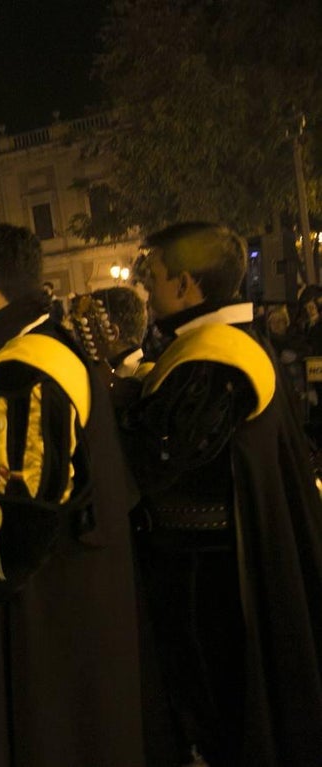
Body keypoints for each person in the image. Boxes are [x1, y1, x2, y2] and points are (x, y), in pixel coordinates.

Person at [122, 222, 322, 767]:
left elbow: (159, 456)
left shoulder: (215, 357)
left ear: (186, 284)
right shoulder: (216, 346)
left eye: (153, 277)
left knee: (222, 712)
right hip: (213, 564)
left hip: (211, 577)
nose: (146, 290)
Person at [0, 223, 144, 766]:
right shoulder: (52, 344)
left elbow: (25, 511)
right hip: (83, 579)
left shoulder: (19, 373)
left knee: (53, 732)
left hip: (48, 597)